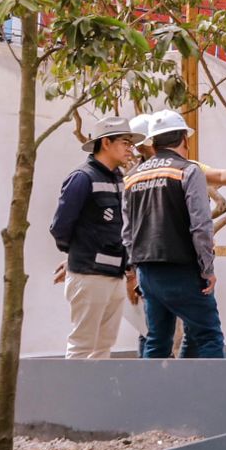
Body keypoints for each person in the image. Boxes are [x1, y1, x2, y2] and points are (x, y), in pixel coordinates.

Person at [122, 110, 226, 359]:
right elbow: (201, 226)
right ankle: (213, 386)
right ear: (184, 140)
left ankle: (155, 386)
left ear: (153, 142)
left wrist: (133, 270)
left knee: (156, 340)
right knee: (209, 337)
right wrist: (207, 269)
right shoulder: (188, 171)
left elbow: (126, 231)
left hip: (147, 272)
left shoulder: (132, 177)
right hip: (183, 269)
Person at [50, 116, 139, 359]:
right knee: (82, 345)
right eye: (125, 142)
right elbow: (60, 226)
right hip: (89, 276)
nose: (130, 148)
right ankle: (74, 386)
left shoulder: (118, 179)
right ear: (106, 143)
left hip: (115, 275)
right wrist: (78, 254)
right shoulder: (82, 177)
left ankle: (97, 386)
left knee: (104, 346)